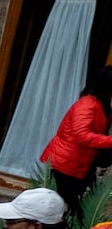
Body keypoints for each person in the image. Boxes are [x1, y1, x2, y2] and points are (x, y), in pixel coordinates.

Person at [39, 66, 112, 220]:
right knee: (65, 209)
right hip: (66, 166)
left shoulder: (101, 105)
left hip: (79, 165)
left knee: (77, 208)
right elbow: (82, 136)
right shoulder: (87, 104)